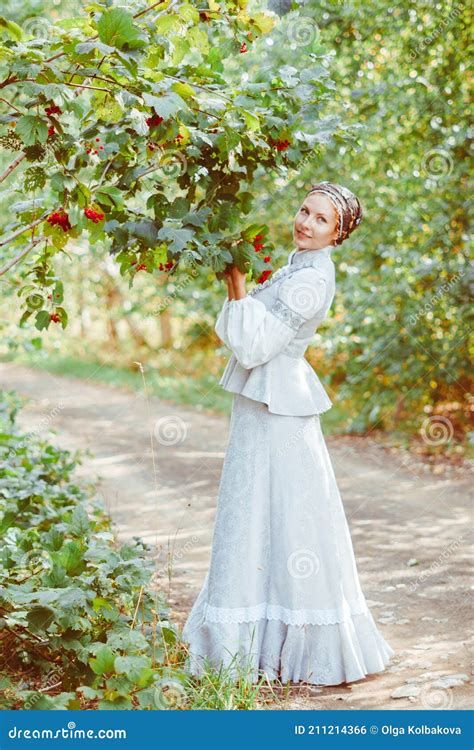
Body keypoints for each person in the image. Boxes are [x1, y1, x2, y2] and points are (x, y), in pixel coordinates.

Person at [181, 182, 395, 686]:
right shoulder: (298, 265)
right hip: (266, 406)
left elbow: (254, 346)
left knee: (275, 516)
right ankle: (256, 641)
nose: (306, 222)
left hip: (279, 411)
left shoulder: (312, 279)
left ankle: (288, 648)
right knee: (263, 515)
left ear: (338, 234)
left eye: (322, 220)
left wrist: (235, 283)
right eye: (304, 210)